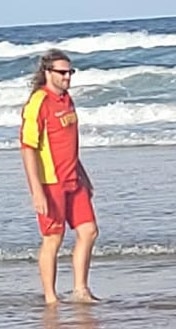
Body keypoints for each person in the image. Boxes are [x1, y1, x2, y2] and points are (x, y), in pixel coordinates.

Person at [19, 49, 99, 304]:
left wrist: (83, 174)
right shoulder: (38, 103)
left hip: (74, 179)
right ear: (47, 73)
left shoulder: (67, 99)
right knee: (53, 238)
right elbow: (28, 148)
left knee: (89, 231)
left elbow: (69, 142)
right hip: (50, 182)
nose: (67, 77)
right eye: (62, 72)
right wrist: (37, 191)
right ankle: (51, 297)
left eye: (70, 72)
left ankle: (80, 289)